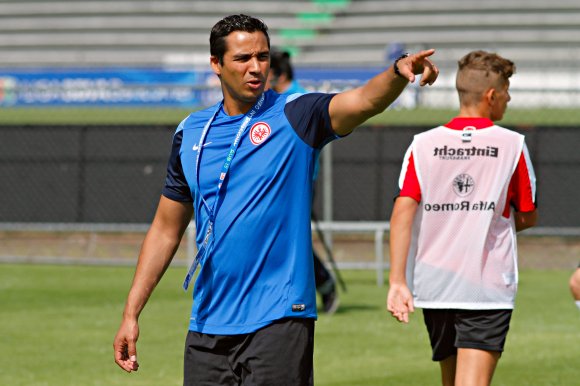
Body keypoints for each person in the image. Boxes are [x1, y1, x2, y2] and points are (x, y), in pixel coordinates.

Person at [113, 14, 438, 386]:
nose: (256, 68)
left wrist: (398, 72)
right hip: (207, 326)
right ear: (216, 65)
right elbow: (165, 230)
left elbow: (363, 101)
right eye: (243, 59)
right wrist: (131, 312)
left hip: (279, 319)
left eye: (263, 57)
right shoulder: (190, 133)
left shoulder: (296, 114)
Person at [386, 50, 538, 386]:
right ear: (491, 95)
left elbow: (402, 212)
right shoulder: (512, 144)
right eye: (507, 92)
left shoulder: (422, 144)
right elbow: (527, 216)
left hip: (436, 286)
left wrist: (397, 281)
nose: (509, 100)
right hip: (485, 287)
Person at [268, 49, 339, 314]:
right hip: (277, 182)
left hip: (298, 182)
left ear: (277, 74)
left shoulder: (298, 99)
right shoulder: (270, 99)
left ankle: (323, 284)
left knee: (291, 239)